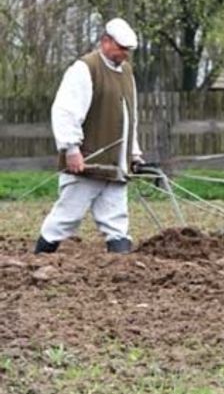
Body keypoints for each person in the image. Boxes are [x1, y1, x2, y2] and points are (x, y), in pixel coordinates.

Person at [34, 18, 147, 255]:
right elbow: (65, 111)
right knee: (67, 217)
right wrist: (71, 149)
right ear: (106, 41)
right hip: (87, 163)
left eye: (128, 50)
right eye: (121, 48)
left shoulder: (127, 73)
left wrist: (134, 155)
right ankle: (40, 258)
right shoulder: (85, 68)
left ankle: (123, 269)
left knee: (117, 221)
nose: (125, 54)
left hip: (116, 166)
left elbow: (128, 118)